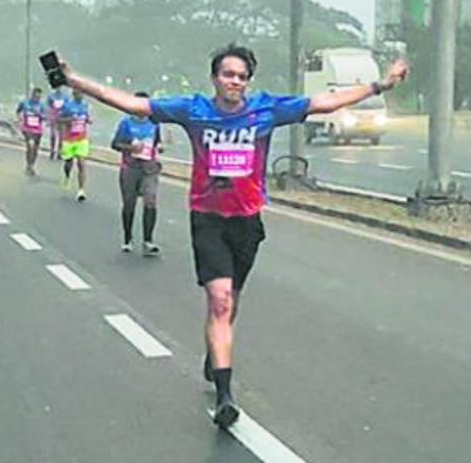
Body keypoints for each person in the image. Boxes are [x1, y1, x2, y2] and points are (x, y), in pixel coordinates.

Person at [59, 43, 409, 428]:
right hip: (208, 219)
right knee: (220, 300)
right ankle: (225, 396)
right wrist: (75, 81)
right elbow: (132, 104)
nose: (235, 82)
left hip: (247, 221)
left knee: (231, 301)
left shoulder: (265, 109)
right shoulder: (194, 109)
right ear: (215, 78)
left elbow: (323, 103)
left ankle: (215, 353)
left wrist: (380, 85)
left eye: (242, 76)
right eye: (228, 74)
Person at [111, 93, 164, 255]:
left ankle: (148, 241)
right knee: (129, 203)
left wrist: (159, 147)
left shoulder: (154, 123)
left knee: (150, 200)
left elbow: (157, 142)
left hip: (149, 168)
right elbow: (115, 144)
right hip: (130, 167)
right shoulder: (126, 123)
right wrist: (131, 148)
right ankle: (127, 239)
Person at [57, 89, 91, 202]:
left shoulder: (85, 106)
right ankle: (67, 176)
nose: (80, 95)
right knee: (68, 163)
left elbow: (86, 117)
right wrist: (69, 120)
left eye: (82, 93)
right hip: (69, 140)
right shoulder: (67, 106)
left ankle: (81, 190)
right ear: (74, 94)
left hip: (82, 139)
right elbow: (59, 119)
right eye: (78, 93)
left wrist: (88, 120)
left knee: (81, 163)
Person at [16, 87, 47, 176]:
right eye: (35, 96)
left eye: (39, 97)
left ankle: (32, 164)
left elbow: (45, 117)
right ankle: (29, 165)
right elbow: (18, 111)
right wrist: (19, 118)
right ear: (32, 95)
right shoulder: (25, 103)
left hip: (37, 130)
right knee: (29, 146)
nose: (37, 98)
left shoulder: (42, 105)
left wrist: (38, 114)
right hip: (27, 128)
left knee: (35, 149)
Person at [45, 85, 69, 160]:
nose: (59, 89)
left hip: (62, 117)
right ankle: (52, 151)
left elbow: (67, 107)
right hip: (53, 117)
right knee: (53, 135)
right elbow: (48, 106)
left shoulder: (65, 97)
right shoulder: (51, 96)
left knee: (61, 136)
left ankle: (59, 152)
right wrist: (48, 117)